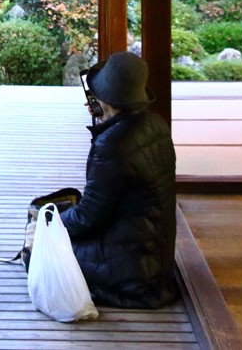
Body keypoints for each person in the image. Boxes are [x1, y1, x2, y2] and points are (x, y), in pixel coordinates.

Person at [59, 50, 179, 309]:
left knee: (43, 253)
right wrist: (105, 122)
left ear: (105, 99)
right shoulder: (156, 125)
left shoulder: (113, 145)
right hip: (156, 256)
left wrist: (53, 224)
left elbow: (87, 218)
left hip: (132, 268)